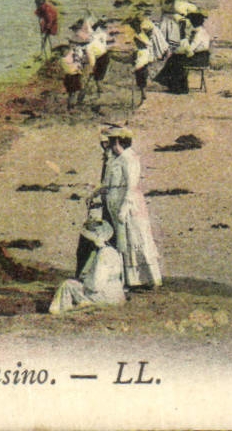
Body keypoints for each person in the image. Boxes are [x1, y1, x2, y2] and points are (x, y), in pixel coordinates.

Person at [97, 126, 161, 290]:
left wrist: (124, 207)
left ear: (119, 142)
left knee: (136, 239)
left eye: (112, 142)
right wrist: (96, 193)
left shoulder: (130, 159)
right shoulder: (116, 159)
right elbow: (108, 183)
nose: (110, 146)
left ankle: (148, 279)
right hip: (115, 203)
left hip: (129, 206)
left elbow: (131, 186)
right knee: (123, 241)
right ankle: (131, 280)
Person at [50, 212, 125, 314]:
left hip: (106, 297)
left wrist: (85, 281)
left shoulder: (102, 255)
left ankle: (61, 311)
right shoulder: (114, 251)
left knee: (67, 285)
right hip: (118, 294)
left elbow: (96, 285)